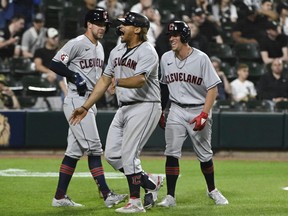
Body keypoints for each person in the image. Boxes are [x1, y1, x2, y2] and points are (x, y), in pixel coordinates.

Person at [69, 11, 164, 213]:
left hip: (145, 105)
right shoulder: (117, 50)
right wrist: (85, 106)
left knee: (129, 154)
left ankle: (135, 202)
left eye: (125, 24)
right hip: (124, 107)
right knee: (112, 155)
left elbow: (140, 79)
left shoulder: (148, 51)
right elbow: (104, 80)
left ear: (137, 29)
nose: (120, 27)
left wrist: (118, 81)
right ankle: (150, 182)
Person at [49, 8, 127, 207]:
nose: (102, 28)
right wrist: (73, 76)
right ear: (89, 24)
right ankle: (107, 193)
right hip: (77, 101)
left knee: (74, 152)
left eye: (105, 25)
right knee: (94, 149)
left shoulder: (99, 47)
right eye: (99, 24)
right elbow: (55, 63)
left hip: (89, 102)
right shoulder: (76, 43)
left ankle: (59, 197)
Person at [157, 20, 229, 207]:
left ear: (185, 36)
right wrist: (161, 111)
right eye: (170, 35)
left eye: (175, 35)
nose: (171, 38)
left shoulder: (201, 58)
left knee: (205, 155)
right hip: (176, 109)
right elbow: (164, 88)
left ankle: (212, 190)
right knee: (171, 153)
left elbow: (213, 88)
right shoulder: (165, 58)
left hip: (198, 108)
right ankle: (170, 197)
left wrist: (204, 114)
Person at [33, 27, 66, 111]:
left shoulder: (60, 51)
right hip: (45, 74)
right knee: (53, 76)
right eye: (53, 37)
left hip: (59, 74)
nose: (56, 39)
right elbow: (38, 66)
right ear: (47, 38)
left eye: (57, 37)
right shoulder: (40, 51)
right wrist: (50, 71)